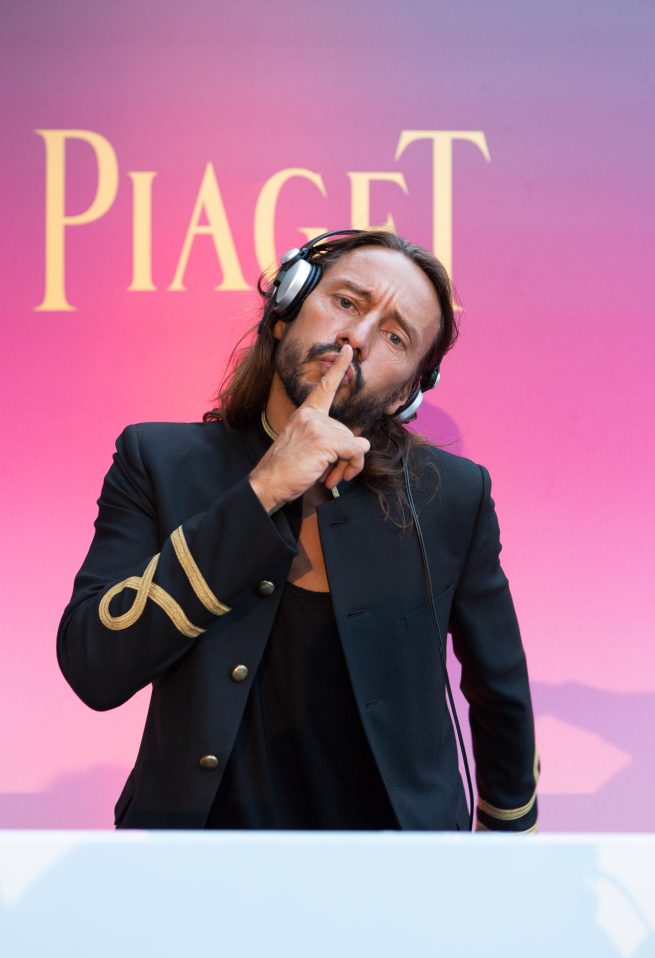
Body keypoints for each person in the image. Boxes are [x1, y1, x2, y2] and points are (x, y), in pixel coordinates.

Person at [57, 229, 539, 832]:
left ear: (406, 395)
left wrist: (506, 850)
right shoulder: (158, 461)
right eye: (346, 302)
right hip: (194, 859)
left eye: (395, 337)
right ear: (285, 309)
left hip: (395, 868)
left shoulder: (454, 496)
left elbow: (500, 694)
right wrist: (262, 490)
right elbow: (94, 666)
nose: (356, 338)